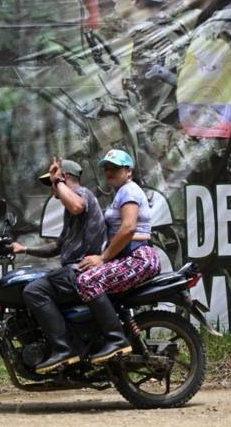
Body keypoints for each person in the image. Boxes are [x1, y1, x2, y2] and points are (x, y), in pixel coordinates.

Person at [11, 158, 106, 373]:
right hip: (73, 270)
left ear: (65, 179)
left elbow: (77, 206)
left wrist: (60, 183)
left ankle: (63, 349)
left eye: (53, 183)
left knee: (34, 291)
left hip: (81, 271)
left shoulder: (82, 195)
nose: (51, 188)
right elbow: (58, 247)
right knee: (36, 282)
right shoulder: (69, 209)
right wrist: (24, 249)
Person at [76, 149, 162, 363]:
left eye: (115, 168)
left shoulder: (128, 191)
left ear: (129, 171)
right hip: (129, 256)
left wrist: (103, 258)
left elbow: (128, 228)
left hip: (138, 257)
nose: (109, 172)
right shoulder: (121, 193)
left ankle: (116, 340)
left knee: (87, 281)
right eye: (106, 168)